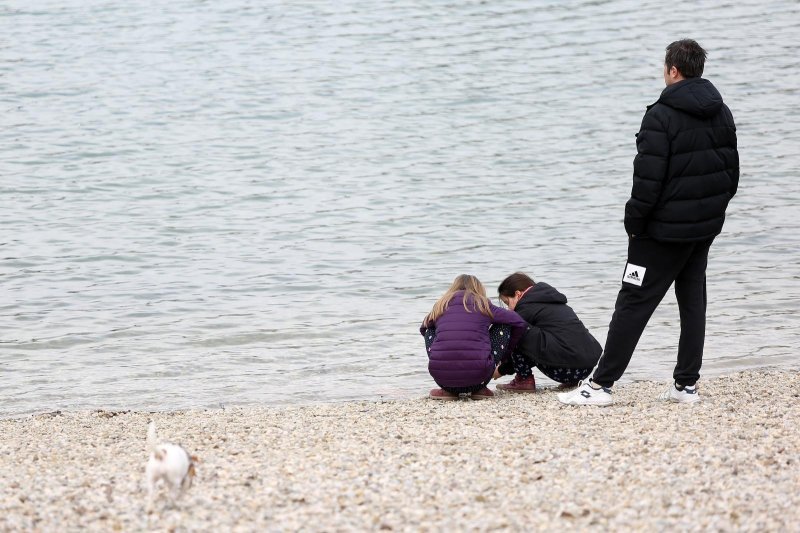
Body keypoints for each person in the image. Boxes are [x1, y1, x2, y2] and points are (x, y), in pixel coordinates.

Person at [559, 39, 739, 407]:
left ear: (673, 70)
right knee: (693, 302)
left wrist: (634, 224)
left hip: (659, 231)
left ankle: (601, 385)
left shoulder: (661, 114)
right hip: (702, 229)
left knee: (632, 302)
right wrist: (712, 214)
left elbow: (647, 181)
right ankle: (686, 385)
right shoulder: (722, 112)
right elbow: (731, 173)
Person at [421, 274, 529, 400]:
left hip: (442, 378)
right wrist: (505, 354)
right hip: (480, 378)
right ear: (478, 289)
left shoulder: (441, 305)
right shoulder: (482, 304)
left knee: (431, 329)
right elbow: (519, 322)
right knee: (503, 325)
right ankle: (480, 390)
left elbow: (423, 328)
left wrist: (441, 347)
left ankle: (446, 390)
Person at [494, 272, 602, 392]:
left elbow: (517, 345)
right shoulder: (554, 302)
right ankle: (572, 381)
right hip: (585, 368)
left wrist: (500, 370)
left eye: (507, 303)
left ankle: (524, 380)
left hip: (564, 371)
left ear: (518, 294)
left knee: (515, 326)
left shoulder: (524, 309)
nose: (508, 308)